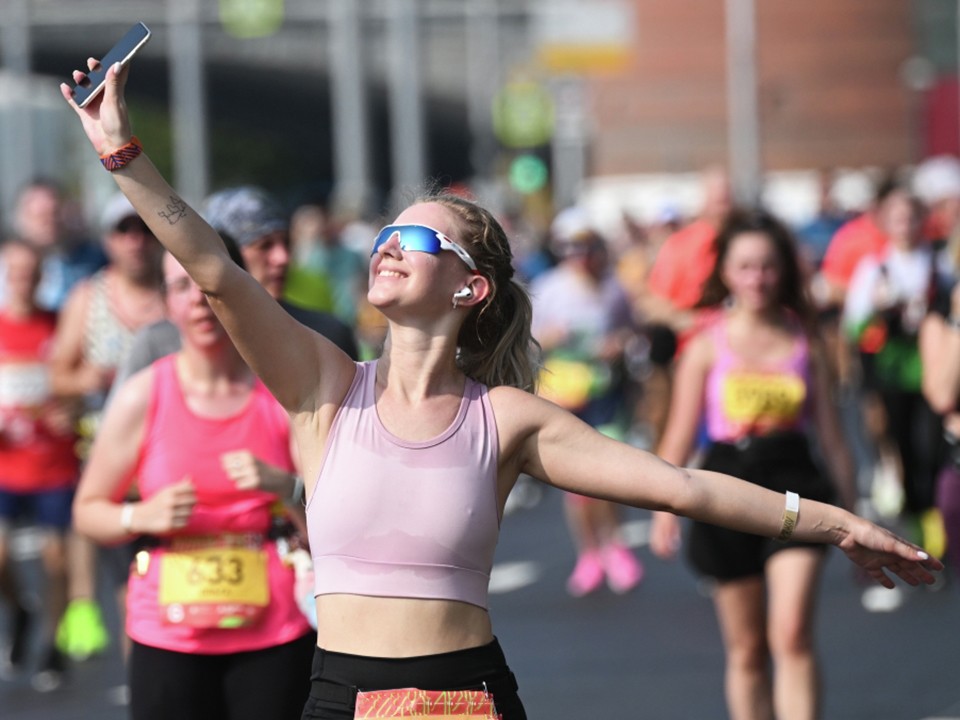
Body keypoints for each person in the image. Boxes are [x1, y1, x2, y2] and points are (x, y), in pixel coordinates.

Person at [61, 60, 940, 720]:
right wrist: (120, 151)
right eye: (387, 234)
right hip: (338, 695)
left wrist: (838, 522)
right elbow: (213, 269)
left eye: (418, 239)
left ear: (469, 286)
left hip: (468, 697)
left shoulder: (507, 420)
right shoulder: (323, 388)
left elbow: (685, 484)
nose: (389, 246)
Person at [72, 244, 315, 720]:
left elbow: (337, 521)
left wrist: (285, 487)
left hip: (275, 630)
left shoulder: (282, 396)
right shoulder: (144, 395)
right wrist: (139, 515)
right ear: (167, 303)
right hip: (168, 636)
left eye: (209, 287)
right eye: (183, 287)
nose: (199, 301)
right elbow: (87, 510)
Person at [648, 210, 858, 720]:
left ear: (782, 271)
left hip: (796, 485)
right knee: (746, 650)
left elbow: (831, 435)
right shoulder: (704, 345)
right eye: (745, 267)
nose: (757, 278)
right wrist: (661, 510)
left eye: (767, 267)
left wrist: (853, 514)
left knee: (791, 633)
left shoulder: (806, 341)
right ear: (725, 273)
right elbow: (678, 432)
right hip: (727, 490)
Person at [48, 193, 166, 663]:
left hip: (173, 460)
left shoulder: (180, 293)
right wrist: (91, 378)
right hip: (112, 468)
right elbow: (57, 373)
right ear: (108, 240)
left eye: (143, 229)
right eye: (123, 231)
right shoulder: (88, 298)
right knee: (132, 593)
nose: (135, 241)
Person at [110, 187, 359, 396]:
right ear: (221, 257)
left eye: (286, 243)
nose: (282, 258)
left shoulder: (327, 336)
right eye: (264, 245)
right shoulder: (158, 344)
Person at [531, 207, 644, 596]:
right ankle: (590, 553)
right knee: (576, 484)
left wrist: (619, 344)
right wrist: (552, 337)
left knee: (610, 476)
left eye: (586, 246)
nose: (579, 256)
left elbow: (633, 331)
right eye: (570, 248)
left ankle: (616, 545)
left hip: (607, 394)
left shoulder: (614, 288)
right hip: (565, 394)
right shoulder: (548, 288)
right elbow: (528, 343)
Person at [843, 190, 944, 553]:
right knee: (902, 444)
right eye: (897, 218)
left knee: (932, 448)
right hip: (892, 372)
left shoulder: (939, 263)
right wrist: (877, 307)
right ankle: (917, 519)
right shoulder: (873, 268)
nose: (905, 225)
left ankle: (934, 517)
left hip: (935, 371)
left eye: (911, 217)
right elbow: (852, 326)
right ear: (885, 223)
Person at [0, 239, 76, 691]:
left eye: (32, 269)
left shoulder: (59, 323)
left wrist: (72, 405)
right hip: (6, 463)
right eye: (15, 269)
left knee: (56, 558)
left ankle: (51, 645)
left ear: (43, 272)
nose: (24, 277)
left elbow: (78, 377)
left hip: (52, 461)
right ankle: (20, 610)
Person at [0, 179, 107, 312]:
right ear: (21, 219)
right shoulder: (4, 267)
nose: (50, 222)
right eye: (41, 216)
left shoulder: (92, 261)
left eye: (55, 213)